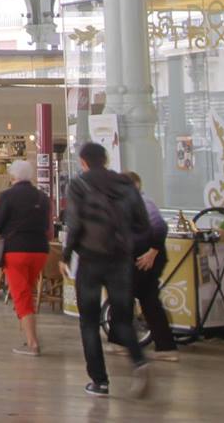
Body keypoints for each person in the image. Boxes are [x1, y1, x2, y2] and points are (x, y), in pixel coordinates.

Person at [62, 141, 152, 397]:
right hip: (120, 260)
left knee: (89, 322)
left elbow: (75, 224)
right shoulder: (125, 184)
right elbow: (143, 222)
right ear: (106, 159)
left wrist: (67, 254)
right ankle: (139, 361)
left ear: (83, 162)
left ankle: (99, 381)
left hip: (90, 260)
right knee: (123, 319)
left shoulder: (78, 185)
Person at [0, 159, 52, 356]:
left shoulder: (7, 195)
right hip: (40, 251)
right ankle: (27, 338)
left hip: (16, 250)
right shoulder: (42, 197)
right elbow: (47, 227)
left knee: (21, 295)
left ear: (13, 176)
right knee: (28, 290)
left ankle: (33, 343)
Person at [124, 172, 181, 362]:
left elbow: (160, 227)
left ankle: (121, 342)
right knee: (149, 301)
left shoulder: (143, 203)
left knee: (126, 297)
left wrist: (152, 251)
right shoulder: (134, 203)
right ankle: (166, 346)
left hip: (145, 259)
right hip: (144, 258)